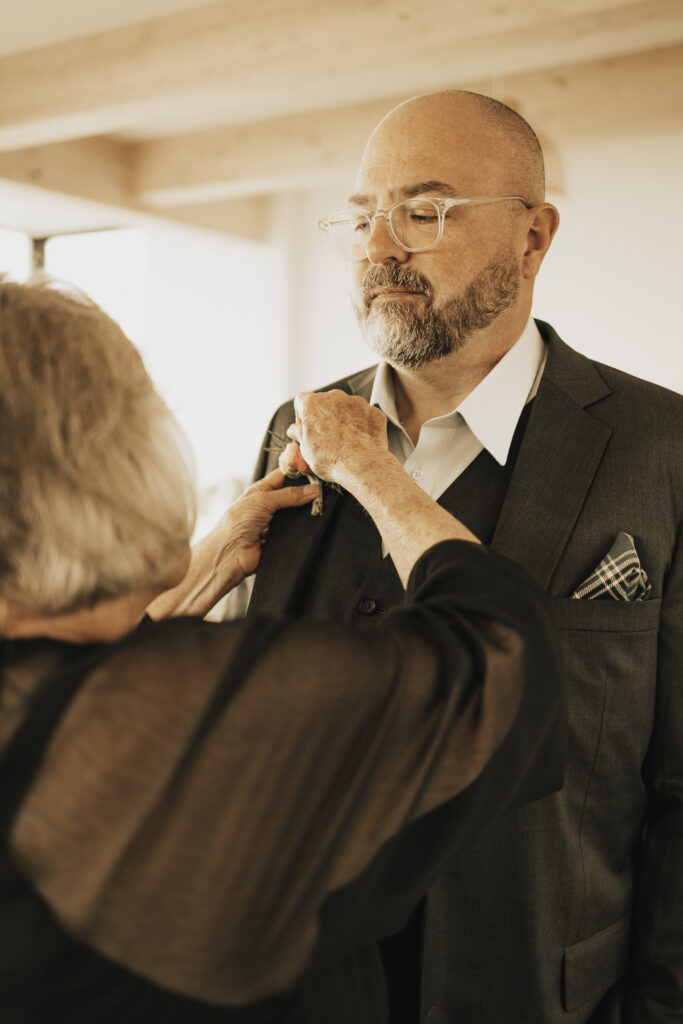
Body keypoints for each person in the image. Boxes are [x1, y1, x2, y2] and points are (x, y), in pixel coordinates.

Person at [0, 276, 564, 1024]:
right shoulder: (187, 720)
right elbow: (503, 660)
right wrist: (368, 466)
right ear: (116, 461)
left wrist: (204, 570)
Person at [244, 91, 683, 1022]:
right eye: (362, 216)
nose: (377, 249)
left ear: (533, 237)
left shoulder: (662, 448)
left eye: (422, 211)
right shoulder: (297, 427)